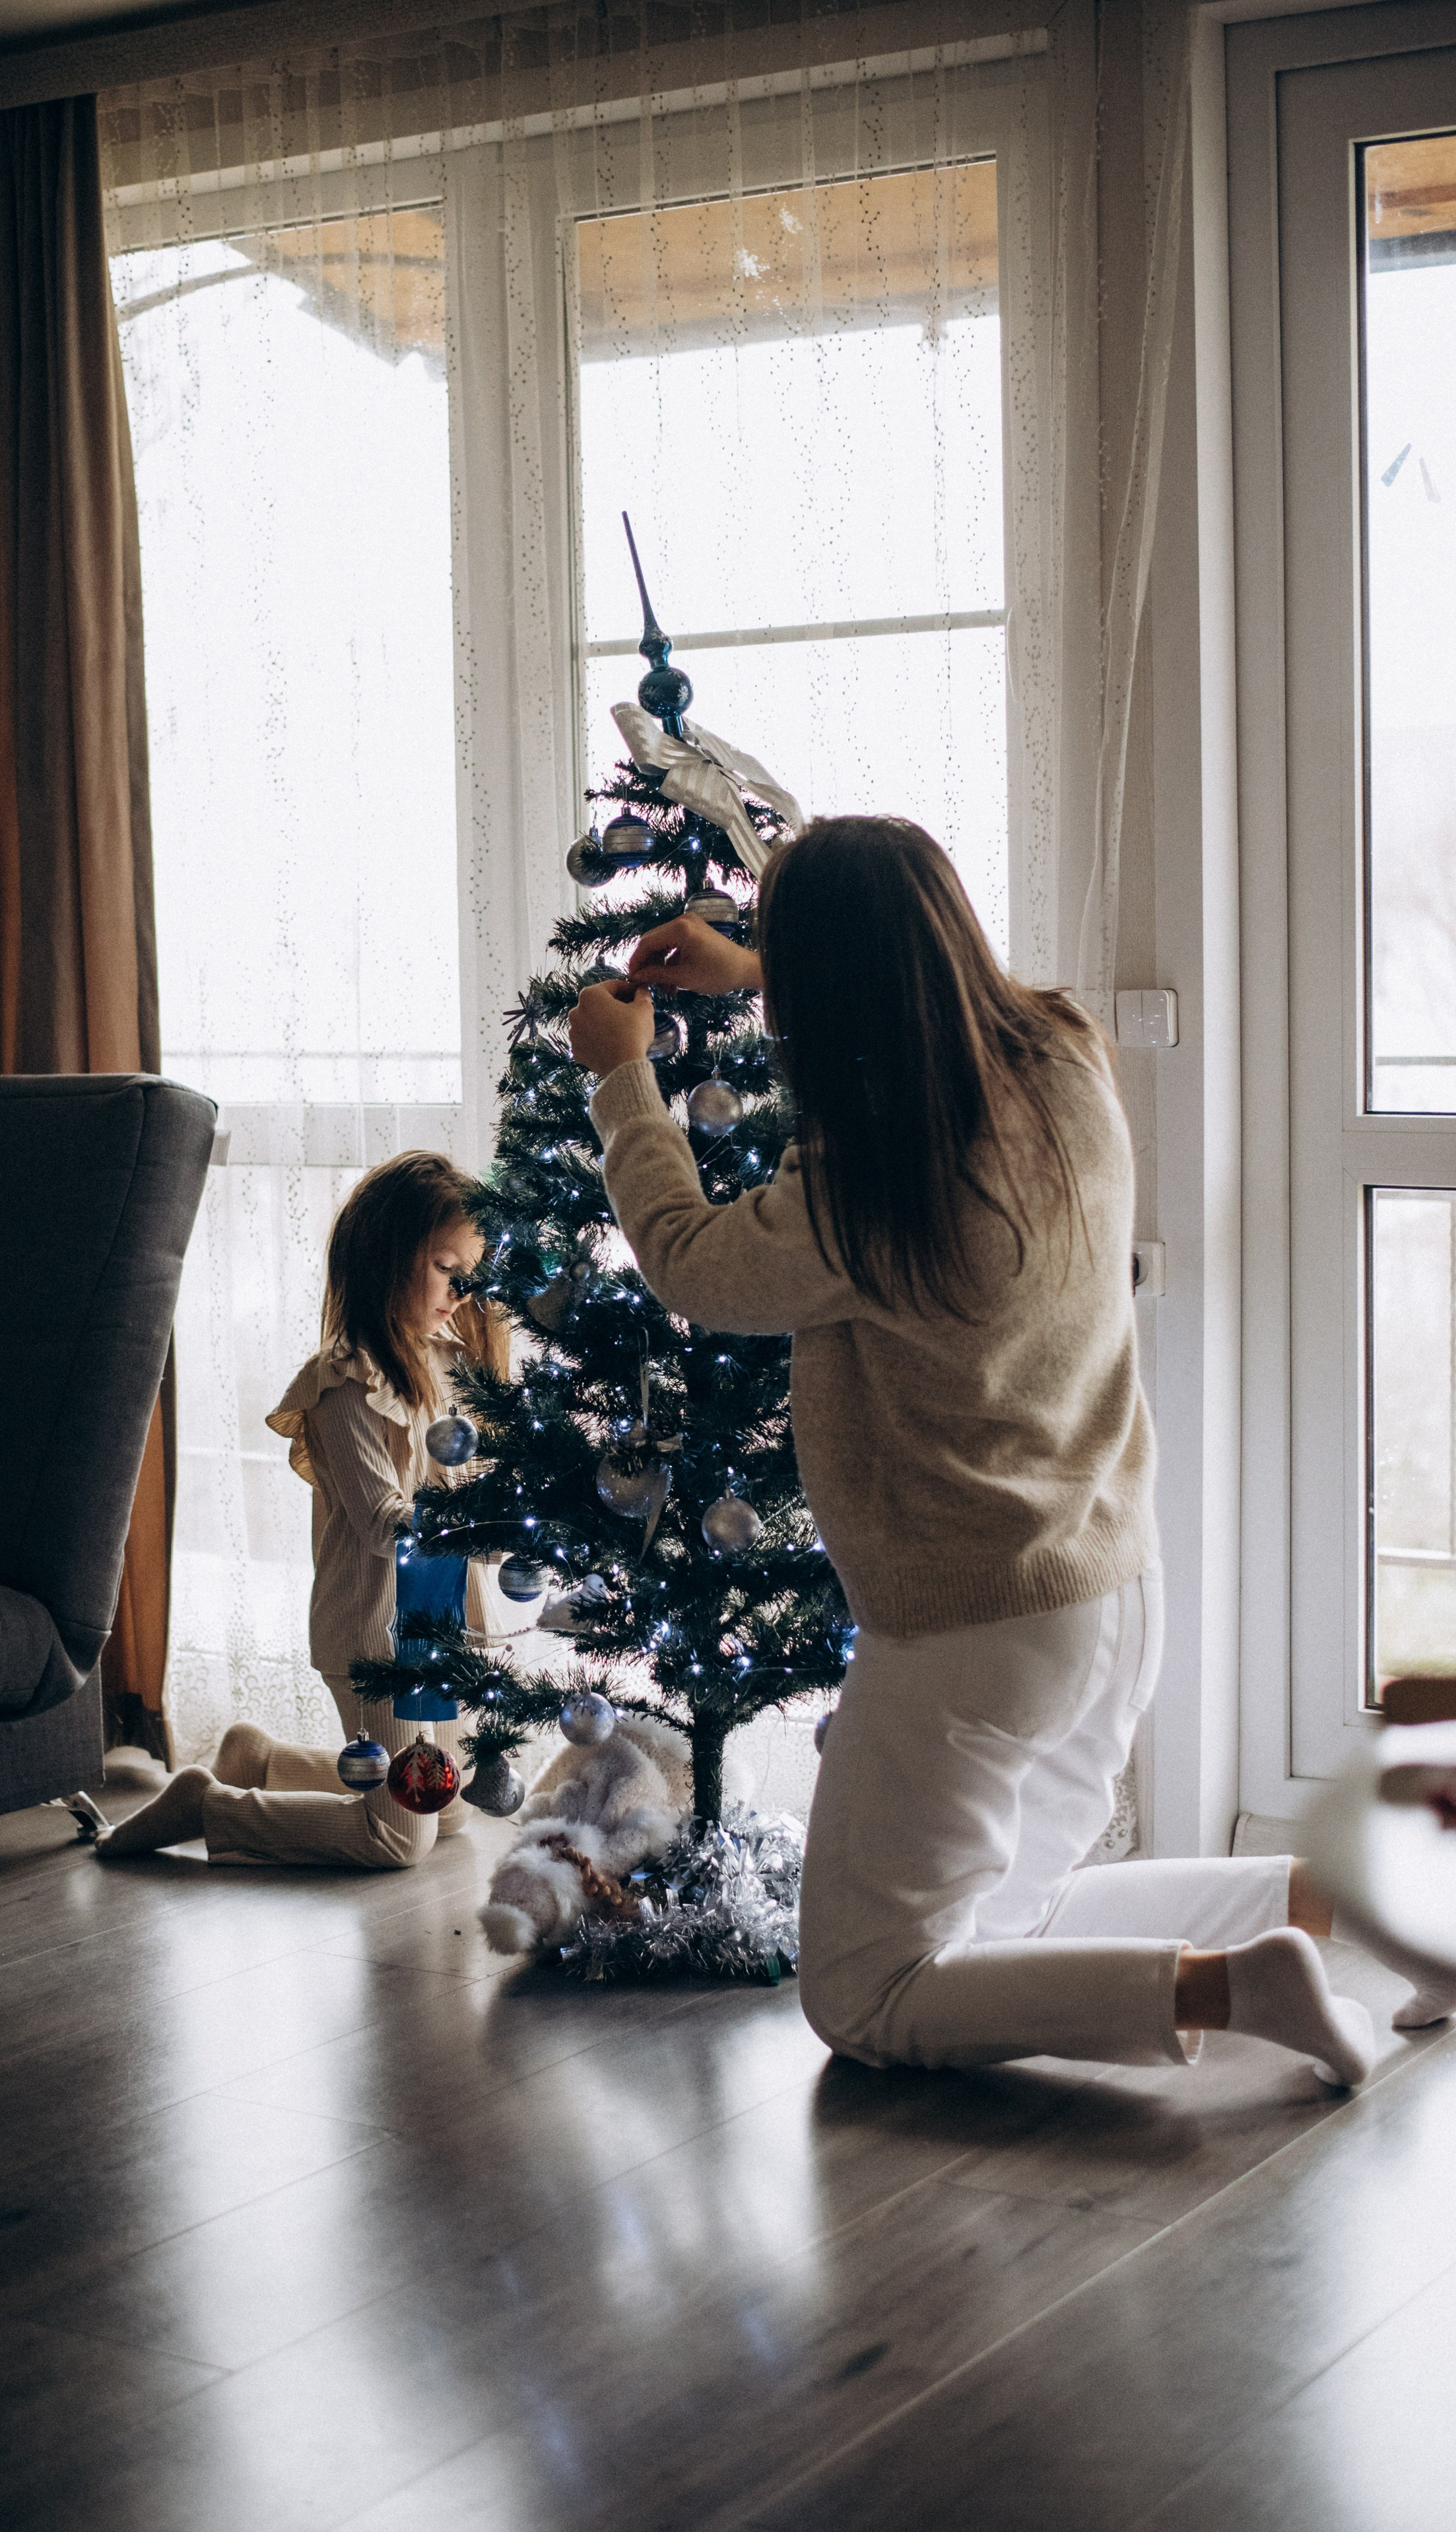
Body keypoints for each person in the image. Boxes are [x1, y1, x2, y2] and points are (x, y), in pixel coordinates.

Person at [569, 817, 1453, 2081]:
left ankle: (1231, 1986)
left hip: (972, 1631)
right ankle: (1371, 1910)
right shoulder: (1061, 1052)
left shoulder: (878, 1181)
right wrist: (764, 960)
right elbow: (906, 973)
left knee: (865, 1997)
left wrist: (623, 1079)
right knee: (1003, 1924)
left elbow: (696, 1265)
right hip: (1111, 1589)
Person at [100, 1151, 517, 1872]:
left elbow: (481, 1481)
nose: (463, 1289)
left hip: (439, 1627)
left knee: (441, 1813)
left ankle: (259, 1759)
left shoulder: (450, 1365)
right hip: (379, 1635)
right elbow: (385, 1521)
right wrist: (480, 1518)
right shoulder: (343, 1384)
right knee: (398, 1837)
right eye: (448, 1266)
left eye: (471, 1271)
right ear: (387, 1260)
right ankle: (209, 1805)